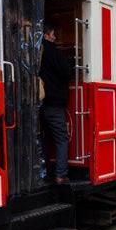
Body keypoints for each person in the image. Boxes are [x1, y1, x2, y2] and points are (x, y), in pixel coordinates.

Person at [39, 27, 72, 185]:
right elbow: (66, 73)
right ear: (46, 35)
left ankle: (45, 173)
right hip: (54, 103)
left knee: (43, 139)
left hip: (40, 103)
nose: (55, 36)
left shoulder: (36, 51)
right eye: (53, 34)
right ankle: (60, 175)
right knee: (61, 139)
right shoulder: (54, 52)